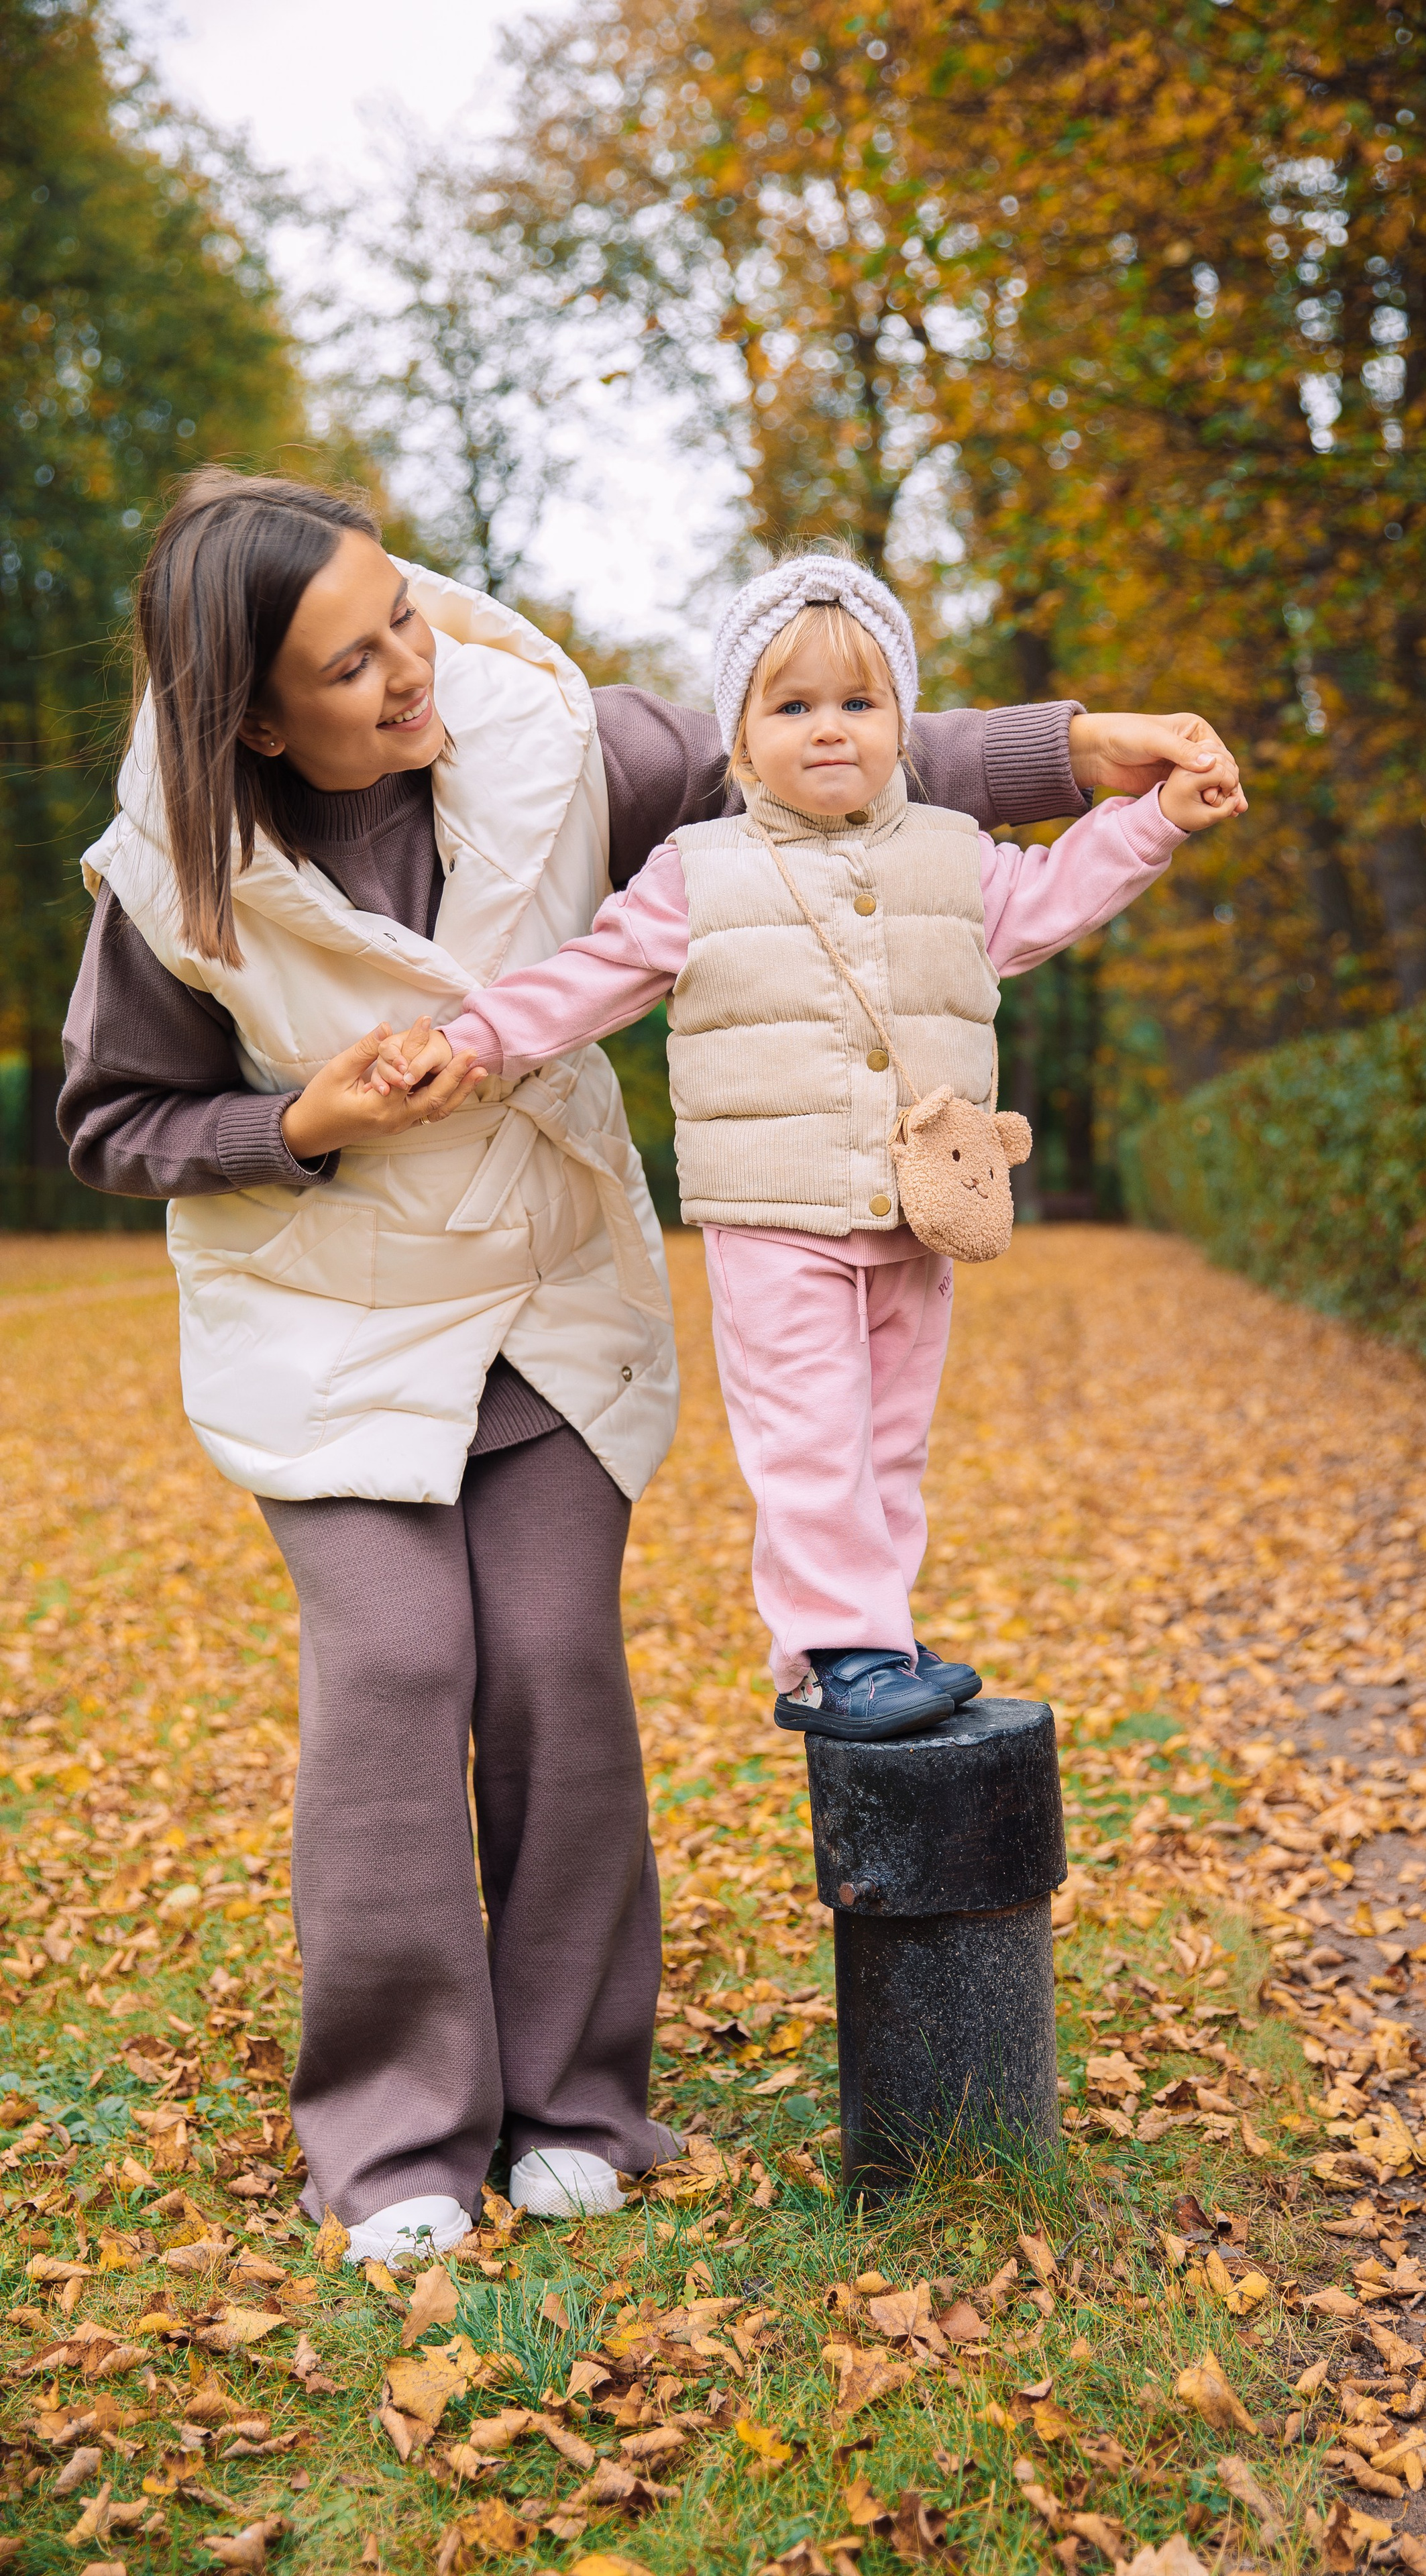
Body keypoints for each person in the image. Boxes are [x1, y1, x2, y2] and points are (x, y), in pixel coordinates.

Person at [58, 470, 1243, 2264]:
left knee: (546, 1656)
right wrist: (300, 1112)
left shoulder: (554, 741)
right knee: (397, 1662)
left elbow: (833, 750)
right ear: (249, 714)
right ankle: (392, 2143)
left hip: (542, 1294)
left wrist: (1087, 749)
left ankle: (579, 2104)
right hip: (329, 1315)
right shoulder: (175, 877)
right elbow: (114, 1120)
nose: (410, 669)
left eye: (404, 616)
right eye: (353, 663)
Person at [377, 553, 1247, 1745]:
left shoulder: (956, 851)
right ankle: (836, 1649)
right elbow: (587, 978)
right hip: (773, 1213)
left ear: (902, 723)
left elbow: (1049, 897)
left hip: (917, 1204)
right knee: (809, 1434)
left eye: (859, 703)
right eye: (791, 708)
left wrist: (1152, 821)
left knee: (891, 1434)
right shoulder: (700, 870)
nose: (828, 731)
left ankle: (874, 1631)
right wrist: (472, 1037)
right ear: (740, 740)